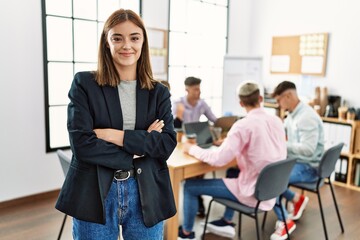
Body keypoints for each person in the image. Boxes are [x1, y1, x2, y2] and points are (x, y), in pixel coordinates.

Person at [55, 9, 177, 240]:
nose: (126, 45)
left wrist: (113, 135)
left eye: (134, 37)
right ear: (107, 42)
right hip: (94, 191)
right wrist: (140, 145)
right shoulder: (84, 84)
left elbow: (166, 144)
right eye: (117, 38)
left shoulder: (159, 92)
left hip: (146, 191)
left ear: (143, 42)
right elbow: (82, 145)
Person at [178, 81, 287, 239]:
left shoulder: (242, 126)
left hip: (253, 193)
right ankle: (227, 221)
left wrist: (191, 148)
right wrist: (230, 141)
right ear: (261, 98)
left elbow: (218, 159)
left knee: (189, 186)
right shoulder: (277, 121)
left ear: (241, 103)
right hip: (271, 190)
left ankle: (186, 233)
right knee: (232, 171)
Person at [269, 81, 325, 240]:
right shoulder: (293, 114)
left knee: (272, 180)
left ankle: (285, 221)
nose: (278, 104)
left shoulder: (306, 117)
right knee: (268, 174)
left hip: (309, 167)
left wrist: (282, 144)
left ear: (288, 96)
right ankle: (296, 199)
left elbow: (308, 149)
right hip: (297, 162)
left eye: (279, 100)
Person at [172, 76, 218, 217]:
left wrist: (216, 127)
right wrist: (179, 116)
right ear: (187, 90)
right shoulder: (178, 103)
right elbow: (174, 127)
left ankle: (196, 197)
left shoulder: (201, 103)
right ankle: (198, 199)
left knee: (198, 172)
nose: (199, 92)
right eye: (195, 89)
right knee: (196, 175)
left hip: (198, 142)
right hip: (182, 143)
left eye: (199, 88)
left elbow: (214, 119)